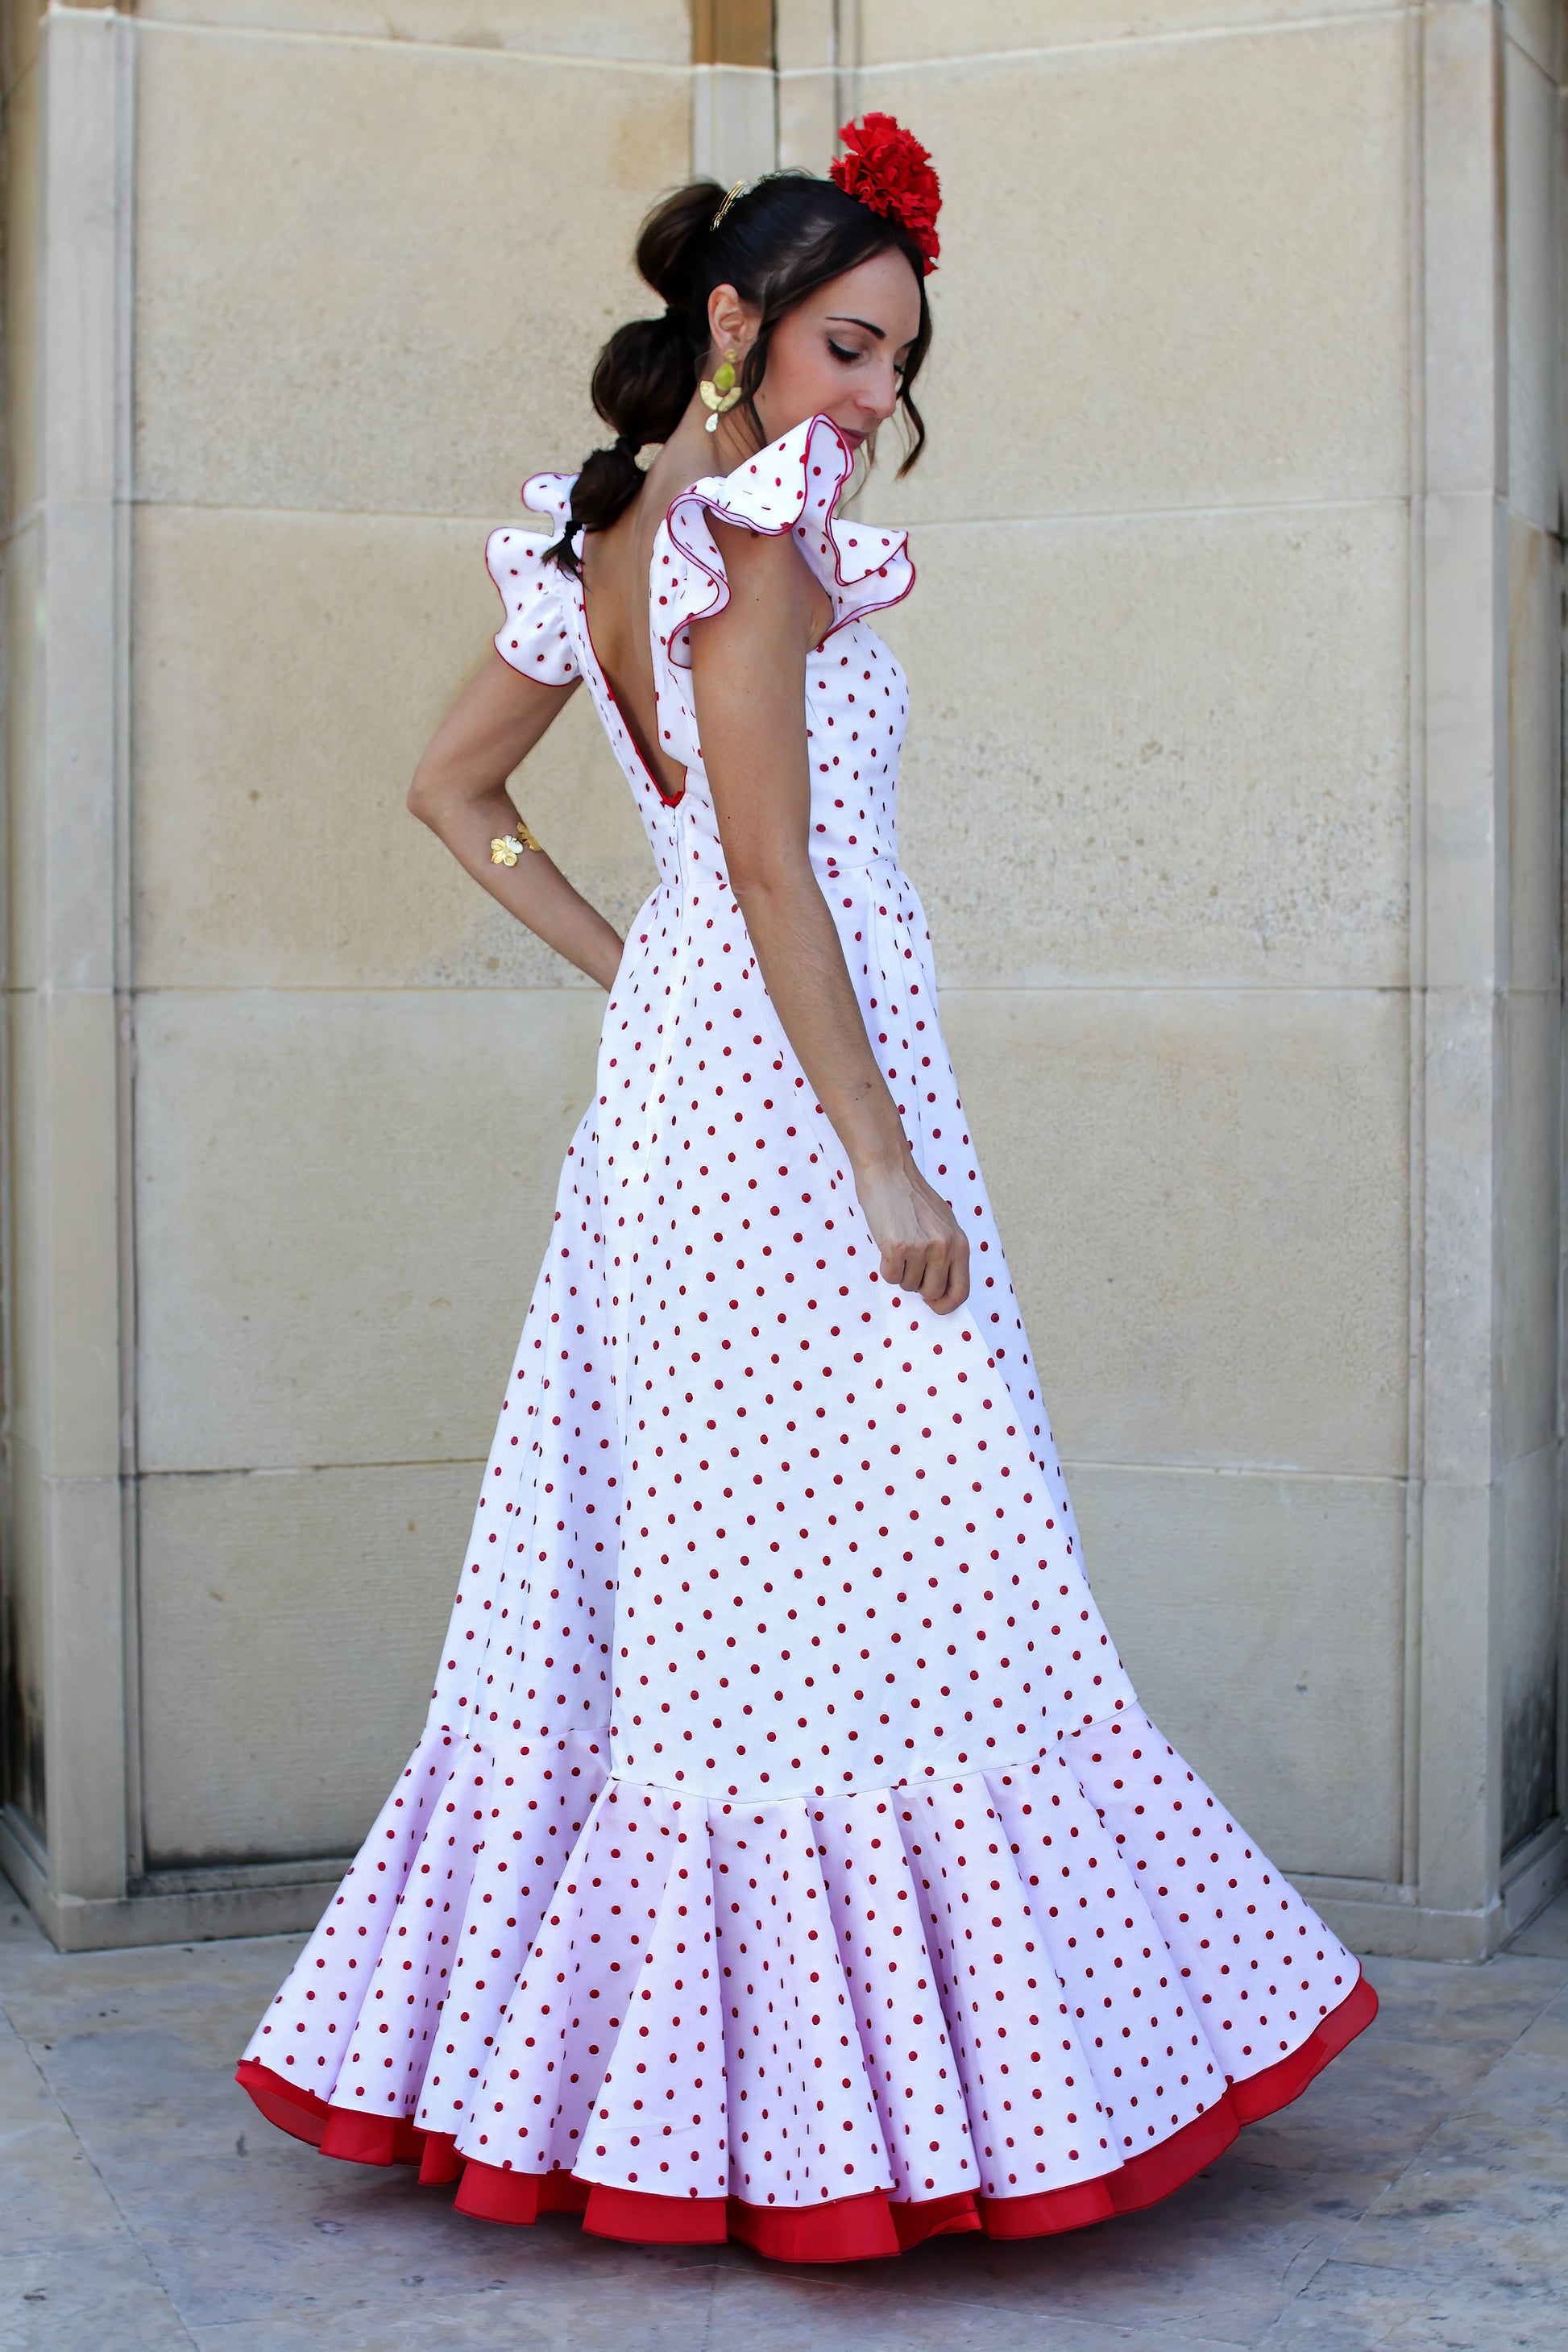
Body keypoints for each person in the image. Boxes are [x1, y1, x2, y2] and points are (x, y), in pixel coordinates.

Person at [236, 117, 1375, 2265]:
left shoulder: (617, 533)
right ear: (733, 322)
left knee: (720, 1583)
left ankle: (753, 2098)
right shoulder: (740, 544)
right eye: (848, 346)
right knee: (910, 1566)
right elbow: (762, 867)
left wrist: (624, 969)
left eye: (899, 360)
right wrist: (876, 1153)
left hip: (697, 1088)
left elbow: (453, 798)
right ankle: (866, 2109)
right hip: (784, 1123)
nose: (875, 394)